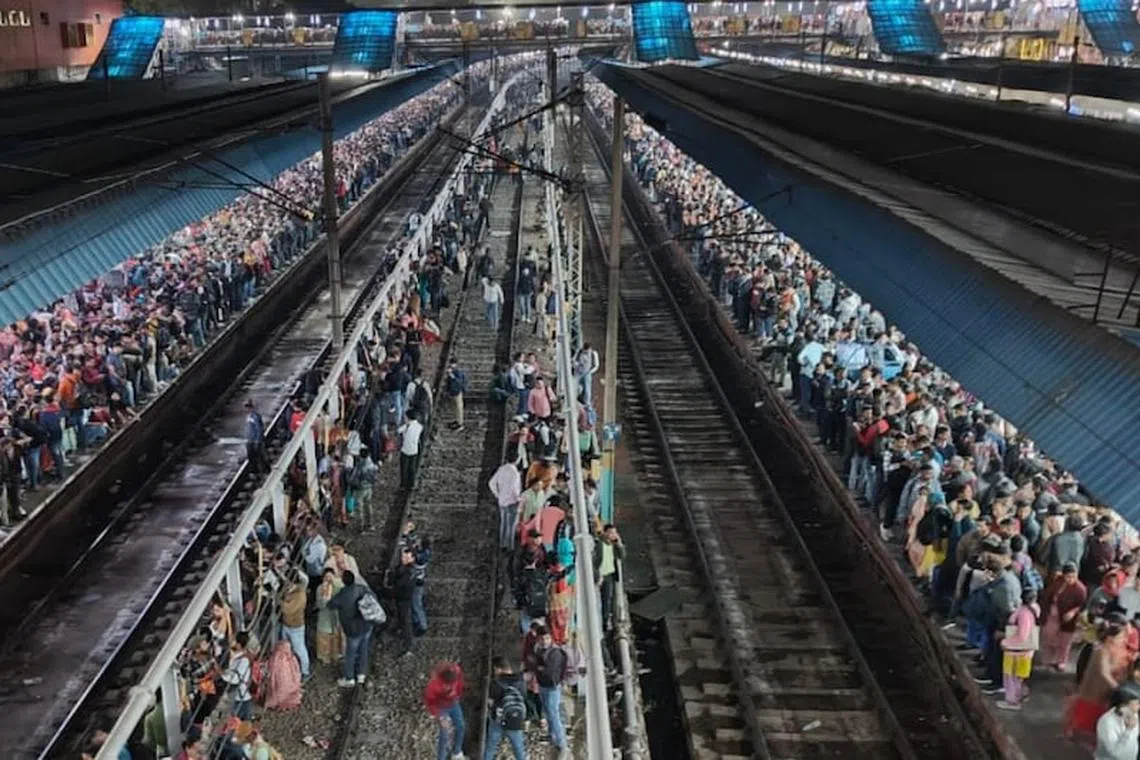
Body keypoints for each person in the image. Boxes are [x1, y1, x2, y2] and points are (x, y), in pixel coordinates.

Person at [998, 588, 1040, 711]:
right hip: (1026, 651)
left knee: (1011, 676)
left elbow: (1022, 635)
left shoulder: (1024, 613)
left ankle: (1012, 701)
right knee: (1019, 675)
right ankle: (1019, 695)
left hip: (1016, 650)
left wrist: (1005, 642)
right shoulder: (1035, 608)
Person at [327, 570, 371, 686]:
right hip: (366, 625)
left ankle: (349, 678)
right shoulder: (362, 588)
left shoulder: (343, 594)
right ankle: (361, 674)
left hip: (352, 630)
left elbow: (330, 605)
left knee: (350, 654)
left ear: (343, 581)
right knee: (363, 650)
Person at [533, 627, 569, 758]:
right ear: (538, 639)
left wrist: (538, 668)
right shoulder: (539, 650)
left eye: (547, 638)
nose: (544, 641)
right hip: (543, 685)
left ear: (551, 638)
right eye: (542, 638)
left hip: (553, 687)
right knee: (548, 711)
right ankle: (552, 735)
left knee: (554, 714)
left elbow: (550, 672)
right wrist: (540, 669)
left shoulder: (555, 653)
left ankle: (562, 744)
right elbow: (539, 668)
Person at [484, 656, 527, 760]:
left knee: (490, 748)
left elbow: (490, 703)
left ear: (497, 669)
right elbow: (524, 698)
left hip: (498, 722)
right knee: (519, 750)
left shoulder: (495, 684)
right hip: (515, 721)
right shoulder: (520, 682)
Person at [425, 662, 467, 760]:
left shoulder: (456, 671)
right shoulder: (434, 685)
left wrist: (457, 694)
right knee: (444, 734)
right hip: (441, 707)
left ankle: (457, 752)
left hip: (454, 703)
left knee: (461, 726)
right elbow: (430, 702)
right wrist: (439, 717)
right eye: (448, 684)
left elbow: (460, 682)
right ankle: (441, 758)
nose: (451, 686)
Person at [279, 575, 311, 682]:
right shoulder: (292, 590)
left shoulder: (300, 595)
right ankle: (291, 668)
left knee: (299, 649)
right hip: (287, 623)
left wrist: (278, 600)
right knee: (286, 647)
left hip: (295, 627)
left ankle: (305, 671)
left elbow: (288, 609)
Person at [1096, 688, 1140, 760]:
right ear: (1123, 706)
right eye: (1136, 704)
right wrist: (1128, 730)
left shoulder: (1133, 714)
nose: (1139, 707)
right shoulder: (1107, 723)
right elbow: (1114, 752)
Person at [489, 460, 523, 551]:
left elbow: (491, 483)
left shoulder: (501, 469)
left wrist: (497, 494)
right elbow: (514, 489)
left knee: (503, 523)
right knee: (511, 525)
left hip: (502, 501)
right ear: (517, 460)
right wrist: (518, 499)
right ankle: (509, 546)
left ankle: (502, 544)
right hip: (512, 501)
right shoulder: (515, 472)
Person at [221, 631, 254, 720]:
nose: (231, 642)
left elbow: (235, 679)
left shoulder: (243, 660)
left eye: (234, 640)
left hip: (241, 697)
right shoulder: (240, 656)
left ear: (239, 644)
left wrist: (221, 675)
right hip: (239, 696)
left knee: (239, 725)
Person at [398, 411, 424, 491]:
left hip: (405, 450)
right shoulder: (420, 426)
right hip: (414, 450)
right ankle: (411, 484)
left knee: (404, 468)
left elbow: (398, 431)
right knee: (412, 468)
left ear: (408, 418)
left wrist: (406, 425)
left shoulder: (407, 426)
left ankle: (403, 484)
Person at [244, 400, 270, 474]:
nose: (247, 409)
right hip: (250, 440)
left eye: (248, 407)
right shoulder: (248, 416)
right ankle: (255, 470)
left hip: (255, 440)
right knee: (251, 457)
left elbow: (259, 428)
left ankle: (265, 470)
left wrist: (258, 440)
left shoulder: (255, 416)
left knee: (259, 456)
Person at [445, 358, 469, 431]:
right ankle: (456, 420)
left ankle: (460, 423)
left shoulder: (458, 372)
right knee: (454, 408)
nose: (451, 365)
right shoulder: (451, 371)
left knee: (458, 408)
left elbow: (459, 382)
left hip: (457, 392)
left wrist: (452, 376)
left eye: (453, 363)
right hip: (452, 392)